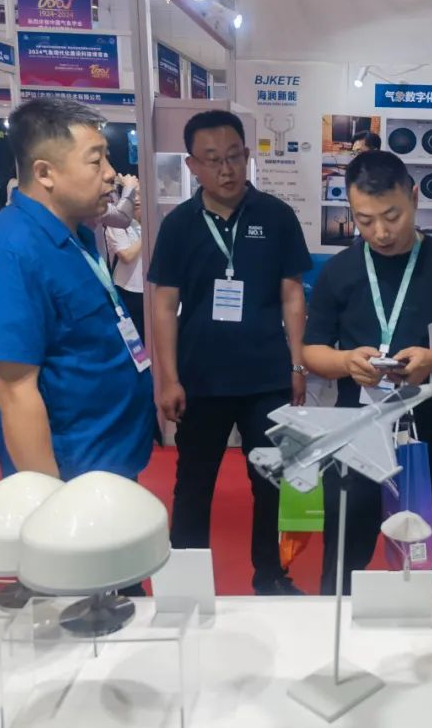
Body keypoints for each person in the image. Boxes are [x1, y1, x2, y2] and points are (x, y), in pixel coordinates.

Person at [303, 150, 432, 596]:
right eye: (364, 220)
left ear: (413, 197)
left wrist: (431, 361)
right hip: (357, 435)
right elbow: (312, 351)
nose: (381, 232)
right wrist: (346, 362)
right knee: (343, 560)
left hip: (431, 435)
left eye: (392, 216)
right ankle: (340, 632)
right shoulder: (340, 271)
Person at [149, 110, 312, 595]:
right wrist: (169, 378)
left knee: (271, 480)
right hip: (201, 379)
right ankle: (184, 584)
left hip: (267, 377)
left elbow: (292, 295)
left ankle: (271, 574)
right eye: (213, 160)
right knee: (194, 484)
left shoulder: (276, 216)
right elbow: (164, 304)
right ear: (192, 165)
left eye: (235, 157)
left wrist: (297, 363)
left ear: (247, 157)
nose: (227, 170)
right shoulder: (179, 225)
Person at [0, 97, 155, 483]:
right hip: (73, 476)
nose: (111, 174)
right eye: (96, 161)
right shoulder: (12, 253)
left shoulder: (75, 234)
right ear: (45, 172)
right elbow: (15, 390)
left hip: (108, 460)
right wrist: (52, 502)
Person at [106, 191, 144, 339]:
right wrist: (148, 231)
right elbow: (126, 256)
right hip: (127, 289)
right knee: (133, 340)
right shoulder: (116, 224)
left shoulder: (154, 220)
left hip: (149, 288)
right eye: (134, 194)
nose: (138, 198)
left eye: (141, 193)